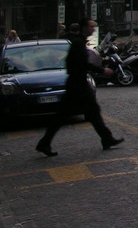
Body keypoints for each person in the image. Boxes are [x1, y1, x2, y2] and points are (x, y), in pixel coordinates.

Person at [36, 18, 123, 156]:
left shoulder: (78, 42)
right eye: (91, 27)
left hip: (77, 83)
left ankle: (107, 138)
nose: (93, 29)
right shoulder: (77, 43)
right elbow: (80, 64)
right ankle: (44, 143)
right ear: (84, 28)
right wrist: (102, 70)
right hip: (77, 84)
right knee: (68, 115)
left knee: (89, 113)